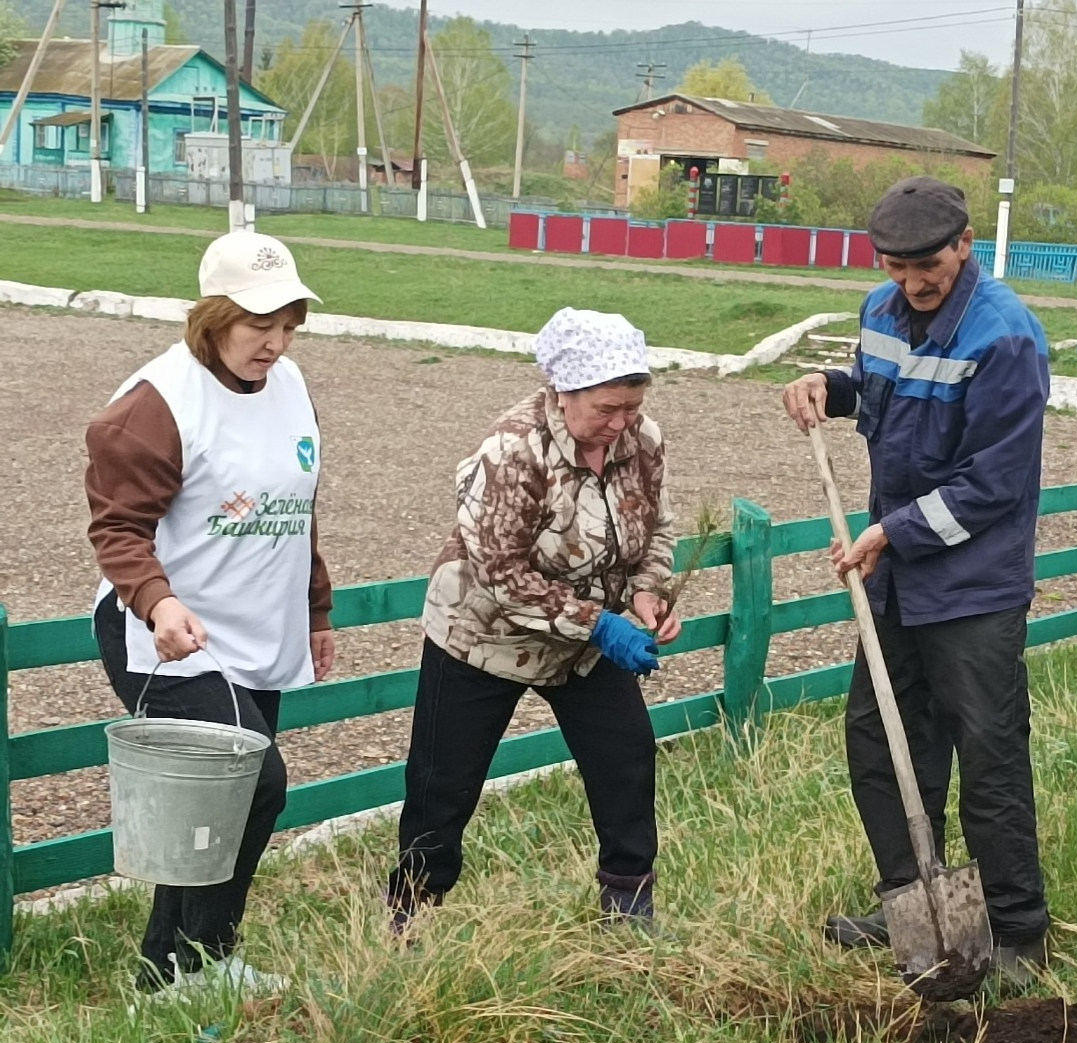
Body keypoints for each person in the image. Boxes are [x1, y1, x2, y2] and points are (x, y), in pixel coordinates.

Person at [781, 176, 1053, 982]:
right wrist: (828, 389)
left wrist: (890, 531)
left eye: (926, 266)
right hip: (895, 578)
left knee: (989, 752)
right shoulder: (879, 312)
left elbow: (993, 483)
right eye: (895, 267)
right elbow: (881, 394)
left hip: (972, 586)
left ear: (965, 245)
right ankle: (910, 896)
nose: (911, 283)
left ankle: (1017, 931)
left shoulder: (1005, 338)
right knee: (881, 738)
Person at [86, 230, 332, 996]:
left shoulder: (288, 385)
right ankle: (208, 957)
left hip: (258, 625)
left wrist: (316, 610)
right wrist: (157, 602)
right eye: (260, 324)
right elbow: (117, 529)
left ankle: (166, 970)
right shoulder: (158, 403)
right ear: (213, 315)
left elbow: (298, 505)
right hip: (166, 635)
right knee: (256, 781)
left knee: (212, 807)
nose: (276, 341)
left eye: (289, 323)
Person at [386, 306, 678, 931]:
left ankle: (628, 907)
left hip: (583, 644)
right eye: (607, 409)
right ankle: (412, 915)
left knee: (626, 761)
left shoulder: (642, 439)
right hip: (482, 636)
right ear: (562, 391)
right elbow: (501, 574)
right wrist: (600, 623)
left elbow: (656, 528)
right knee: (444, 784)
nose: (621, 423)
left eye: (632, 406)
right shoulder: (513, 451)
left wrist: (649, 591)